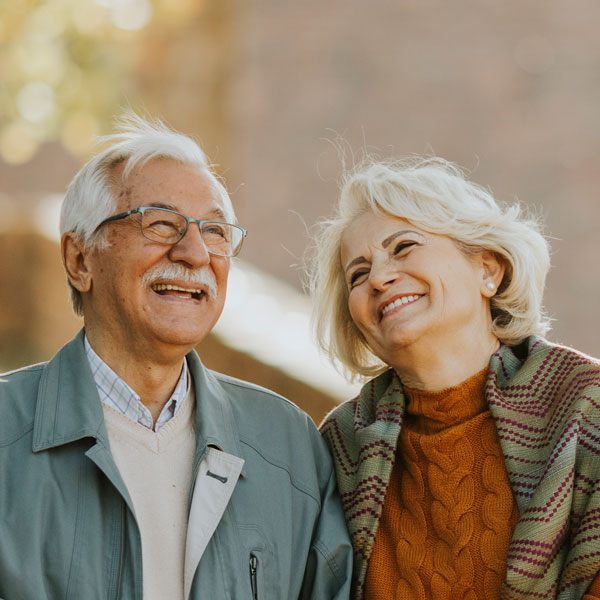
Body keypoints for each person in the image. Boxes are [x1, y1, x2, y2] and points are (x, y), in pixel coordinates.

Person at [0, 113, 352, 600]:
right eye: (161, 224)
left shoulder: (288, 446)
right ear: (80, 260)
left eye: (215, 232)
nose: (194, 253)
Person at [306, 156, 600, 599]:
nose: (381, 278)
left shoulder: (585, 404)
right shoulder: (339, 448)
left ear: (487, 269)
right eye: (359, 274)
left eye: (403, 247)